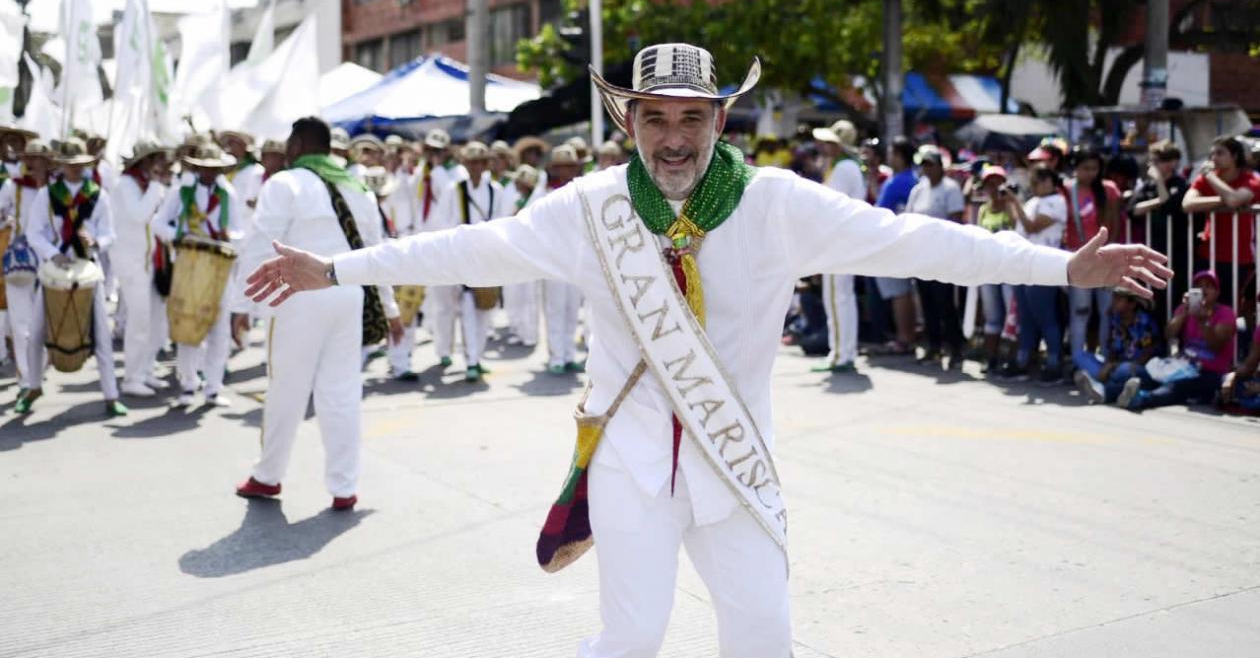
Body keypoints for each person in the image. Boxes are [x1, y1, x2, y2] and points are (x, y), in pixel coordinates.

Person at [242, 43, 1169, 658]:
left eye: (692, 118)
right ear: (629, 123)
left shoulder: (777, 204)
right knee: (630, 633)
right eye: (656, 119)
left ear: (721, 121)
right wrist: (337, 266)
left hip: (736, 457)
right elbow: (466, 249)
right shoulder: (588, 210)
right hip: (632, 462)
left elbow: (918, 243)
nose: (674, 137)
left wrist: (1058, 267)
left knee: (762, 630)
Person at [233, 117, 400, 511]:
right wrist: (390, 309)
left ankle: (268, 476)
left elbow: (260, 244)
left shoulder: (284, 183)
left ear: (297, 146)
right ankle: (344, 487)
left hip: (299, 294)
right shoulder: (357, 186)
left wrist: (242, 305)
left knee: (286, 389)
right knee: (341, 391)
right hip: (348, 293)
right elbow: (379, 252)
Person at [24, 138, 127, 417]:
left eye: (80, 165)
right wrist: (52, 253)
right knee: (35, 334)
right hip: (53, 272)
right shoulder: (48, 194)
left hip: (88, 270)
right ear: (61, 166)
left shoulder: (98, 195)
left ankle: (111, 395)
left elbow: (110, 234)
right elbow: (33, 232)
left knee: (102, 337)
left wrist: (95, 241)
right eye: (70, 165)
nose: (75, 170)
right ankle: (32, 386)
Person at [151, 145, 245, 407]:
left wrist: (230, 237)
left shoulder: (228, 194)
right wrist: (179, 237)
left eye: (214, 169)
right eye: (204, 168)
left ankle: (213, 387)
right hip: (188, 265)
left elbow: (240, 231)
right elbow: (158, 223)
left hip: (218, 267)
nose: (209, 173)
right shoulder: (181, 192)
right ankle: (188, 384)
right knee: (187, 323)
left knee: (219, 327)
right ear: (196, 168)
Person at [1121, 271, 1234, 411]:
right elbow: (1168, 334)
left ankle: (1141, 399)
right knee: (1146, 375)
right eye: (1199, 286)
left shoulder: (1226, 313)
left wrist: (1203, 322)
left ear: (1217, 292)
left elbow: (1216, 346)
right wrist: (1185, 312)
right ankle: (1108, 392)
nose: (1203, 290)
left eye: (1208, 286)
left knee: (1177, 386)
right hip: (1183, 366)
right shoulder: (1185, 309)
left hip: (1209, 372)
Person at [447, 141, 511, 382]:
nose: (475, 167)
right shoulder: (455, 190)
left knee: (486, 310)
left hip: (489, 258)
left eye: (479, 162)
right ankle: (471, 360)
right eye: (471, 162)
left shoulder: (496, 190)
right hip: (465, 258)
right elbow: (447, 224)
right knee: (467, 312)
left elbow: (504, 222)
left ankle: (478, 355)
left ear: (486, 165)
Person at [111, 142, 171, 398]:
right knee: (139, 320)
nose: (158, 165)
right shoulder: (125, 185)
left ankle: (145, 370)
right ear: (142, 162)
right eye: (153, 160)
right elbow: (140, 215)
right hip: (130, 261)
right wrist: (158, 186)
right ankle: (131, 378)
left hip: (147, 260)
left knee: (153, 320)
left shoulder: (143, 185)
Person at [1004, 167, 1069, 383]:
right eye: (1036, 180)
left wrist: (1014, 202)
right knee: (1026, 317)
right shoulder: (1031, 202)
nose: (1039, 184)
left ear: (1052, 181)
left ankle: (1054, 362)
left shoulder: (1057, 202)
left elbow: (1032, 227)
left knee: (1045, 316)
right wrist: (1012, 204)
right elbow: (1020, 227)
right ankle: (1024, 361)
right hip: (1022, 265)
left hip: (1044, 266)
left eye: (1044, 179)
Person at [0, 139, 51, 407]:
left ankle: (38, 369)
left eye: (38, 159)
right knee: (21, 325)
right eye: (29, 158)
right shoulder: (12, 186)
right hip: (19, 261)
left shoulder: (56, 189)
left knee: (45, 323)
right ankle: (26, 381)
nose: (33, 164)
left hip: (48, 261)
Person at [811, 120, 865, 374]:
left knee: (837, 298)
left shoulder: (843, 168)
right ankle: (844, 352)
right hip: (845, 239)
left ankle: (840, 355)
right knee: (842, 297)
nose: (824, 146)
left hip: (839, 240)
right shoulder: (845, 166)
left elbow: (830, 207)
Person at [1182, 134, 1259, 311]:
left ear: (1235, 156)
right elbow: (1187, 204)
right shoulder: (1206, 179)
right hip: (1207, 254)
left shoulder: (1250, 180)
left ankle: (1230, 340)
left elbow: (1234, 200)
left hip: (1238, 256)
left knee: (1228, 306)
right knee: (1197, 304)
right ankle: (1197, 339)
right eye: (1212, 154)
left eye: (1220, 153)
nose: (1213, 158)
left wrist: (1210, 177)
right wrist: (1223, 199)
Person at [905, 146, 966, 366]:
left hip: (943, 254)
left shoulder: (950, 189)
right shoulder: (918, 190)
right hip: (922, 255)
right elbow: (909, 218)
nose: (927, 169)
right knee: (927, 303)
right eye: (924, 165)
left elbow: (956, 220)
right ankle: (934, 347)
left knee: (945, 303)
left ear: (941, 166)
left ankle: (956, 348)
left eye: (931, 164)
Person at [1063, 145, 1123, 360]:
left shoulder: (1109, 189)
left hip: (1104, 258)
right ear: (1075, 168)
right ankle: (1078, 359)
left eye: (1095, 168)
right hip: (1077, 258)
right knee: (1080, 310)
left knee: (1107, 311)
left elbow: (1114, 224)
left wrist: (1109, 254)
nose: (1091, 173)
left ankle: (1107, 358)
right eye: (1085, 168)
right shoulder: (1066, 189)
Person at [418, 128, 467, 369]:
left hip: (452, 243)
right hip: (430, 242)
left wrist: (436, 168)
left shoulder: (456, 173)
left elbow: (449, 196)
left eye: (438, 150)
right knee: (441, 304)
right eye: (430, 150)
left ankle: (470, 355)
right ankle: (443, 350)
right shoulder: (423, 171)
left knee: (461, 304)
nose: (433, 154)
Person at [1127, 140, 1190, 316]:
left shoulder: (1181, 184)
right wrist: (1157, 200)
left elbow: (1170, 205)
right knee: (1154, 299)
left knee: (1174, 298)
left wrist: (1160, 186)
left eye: (1156, 162)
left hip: (1176, 252)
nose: (1151, 166)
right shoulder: (1149, 186)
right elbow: (1133, 209)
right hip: (1153, 248)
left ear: (1172, 162)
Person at [872, 136, 920, 355]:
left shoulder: (898, 180)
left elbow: (879, 210)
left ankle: (904, 338)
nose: (889, 157)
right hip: (907, 241)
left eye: (891, 153)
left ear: (899, 156)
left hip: (895, 242)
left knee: (899, 293)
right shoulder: (911, 178)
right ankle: (907, 337)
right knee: (904, 293)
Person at [540, 144, 586, 374]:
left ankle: (568, 354)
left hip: (577, 259)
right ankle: (556, 356)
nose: (566, 171)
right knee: (555, 309)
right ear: (554, 169)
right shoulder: (545, 192)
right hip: (554, 260)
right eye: (562, 167)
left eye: (570, 166)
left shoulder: (583, 191)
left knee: (572, 309)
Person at [1072, 287, 1161, 404]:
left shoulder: (1144, 322)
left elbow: (1148, 353)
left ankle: (1100, 385)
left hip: (1137, 366)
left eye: (1118, 299)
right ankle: (1103, 380)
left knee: (1124, 371)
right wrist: (1109, 365)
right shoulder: (1115, 320)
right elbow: (1113, 349)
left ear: (1131, 304)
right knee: (1079, 355)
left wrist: (1113, 367)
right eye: (1114, 298)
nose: (1113, 302)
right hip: (1116, 366)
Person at [974, 166, 1017, 373]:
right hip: (989, 269)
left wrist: (1009, 201)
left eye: (998, 183)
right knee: (992, 315)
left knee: (1011, 315)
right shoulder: (983, 209)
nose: (994, 188)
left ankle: (1011, 358)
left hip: (1009, 268)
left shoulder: (1012, 206)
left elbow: (1017, 226)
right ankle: (991, 357)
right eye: (989, 184)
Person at [502, 164, 541, 347]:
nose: (515, 185)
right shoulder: (519, 200)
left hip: (532, 255)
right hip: (518, 253)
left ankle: (530, 334)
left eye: (518, 182)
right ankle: (520, 330)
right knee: (517, 294)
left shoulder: (536, 202)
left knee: (530, 297)